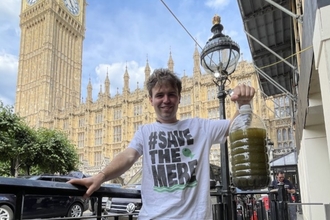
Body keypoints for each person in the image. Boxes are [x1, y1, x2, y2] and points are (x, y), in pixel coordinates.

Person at [69, 68, 255, 219]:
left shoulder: (200, 127)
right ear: (150, 100)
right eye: (160, 95)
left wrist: (244, 104)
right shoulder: (145, 132)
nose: (166, 100)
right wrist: (100, 176)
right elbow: (128, 156)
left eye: (171, 94)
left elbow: (235, 127)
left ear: (180, 97)